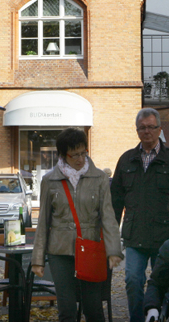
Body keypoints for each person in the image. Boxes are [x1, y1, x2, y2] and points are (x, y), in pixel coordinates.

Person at [31, 127, 123, 322]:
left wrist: (113, 250)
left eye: (83, 153)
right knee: (66, 310)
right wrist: (37, 259)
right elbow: (43, 221)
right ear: (64, 155)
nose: (80, 159)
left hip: (90, 248)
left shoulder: (99, 178)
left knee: (93, 308)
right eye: (74, 155)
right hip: (59, 251)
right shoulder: (50, 180)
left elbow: (108, 216)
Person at [111, 108, 169, 322]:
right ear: (137, 130)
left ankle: (159, 318)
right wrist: (110, 237)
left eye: (151, 127)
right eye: (142, 127)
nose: (146, 131)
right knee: (132, 280)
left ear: (159, 129)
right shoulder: (126, 159)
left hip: (166, 236)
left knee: (163, 283)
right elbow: (115, 202)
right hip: (134, 234)